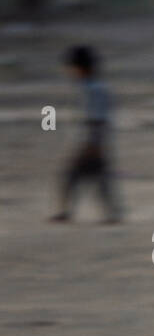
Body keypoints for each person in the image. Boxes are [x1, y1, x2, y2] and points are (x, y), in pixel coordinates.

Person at [51, 45, 123, 224]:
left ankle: (67, 211)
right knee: (98, 179)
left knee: (75, 176)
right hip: (91, 141)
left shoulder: (93, 89)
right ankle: (111, 214)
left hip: (91, 142)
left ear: (81, 67)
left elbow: (97, 119)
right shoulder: (90, 87)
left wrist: (93, 144)